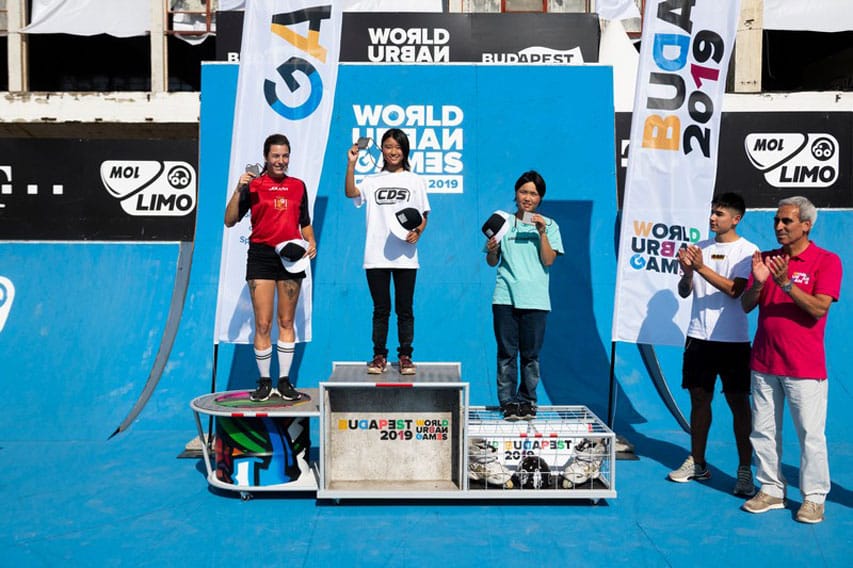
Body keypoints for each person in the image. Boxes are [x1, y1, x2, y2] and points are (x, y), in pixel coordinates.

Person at [740, 196, 842, 524]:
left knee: (810, 435)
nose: (779, 227)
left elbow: (818, 309)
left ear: (806, 225)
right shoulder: (766, 260)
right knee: (763, 431)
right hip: (764, 362)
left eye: (787, 221)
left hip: (804, 367)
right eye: (776, 221)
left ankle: (813, 497)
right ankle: (770, 488)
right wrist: (758, 283)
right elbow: (746, 306)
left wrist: (785, 284)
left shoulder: (826, 261)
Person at [667, 192, 758, 497]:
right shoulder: (700, 249)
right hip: (698, 339)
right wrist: (688, 272)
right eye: (712, 212)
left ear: (736, 218)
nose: (712, 218)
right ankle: (698, 463)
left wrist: (702, 267)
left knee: (738, 405)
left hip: (733, 341)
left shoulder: (748, 251)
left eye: (719, 213)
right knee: (698, 401)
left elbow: (736, 291)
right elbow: (683, 292)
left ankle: (745, 470)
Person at [224, 133, 317, 401]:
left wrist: (310, 240)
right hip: (261, 256)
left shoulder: (298, 185)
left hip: (291, 256)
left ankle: (285, 382)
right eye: (275, 156)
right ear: (266, 157)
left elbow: (305, 222)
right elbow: (229, 220)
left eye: (285, 156)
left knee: (286, 321)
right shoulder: (253, 186)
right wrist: (238, 189)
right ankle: (264, 381)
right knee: (263, 323)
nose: (280, 161)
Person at [345, 128, 430, 375]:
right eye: (389, 146)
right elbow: (351, 193)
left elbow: (423, 215)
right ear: (382, 149)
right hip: (375, 255)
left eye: (398, 147)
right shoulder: (372, 181)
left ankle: (405, 355)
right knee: (381, 309)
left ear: (405, 151)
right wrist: (351, 165)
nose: (393, 151)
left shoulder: (415, 180)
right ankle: (379, 355)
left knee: (405, 309)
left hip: (405, 256)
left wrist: (419, 232)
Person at [485, 171, 563, 421]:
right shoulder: (503, 221)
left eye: (533, 193)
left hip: (536, 299)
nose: (527, 198)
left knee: (530, 355)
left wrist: (541, 232)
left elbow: (549, 260)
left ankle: (527, 401)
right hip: (505, 296)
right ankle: (508, 402)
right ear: (516, 194)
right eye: (523, 192)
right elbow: (492, 261)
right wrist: (491, 250)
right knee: (507, 353)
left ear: (540, 198)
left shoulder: (550, 225)